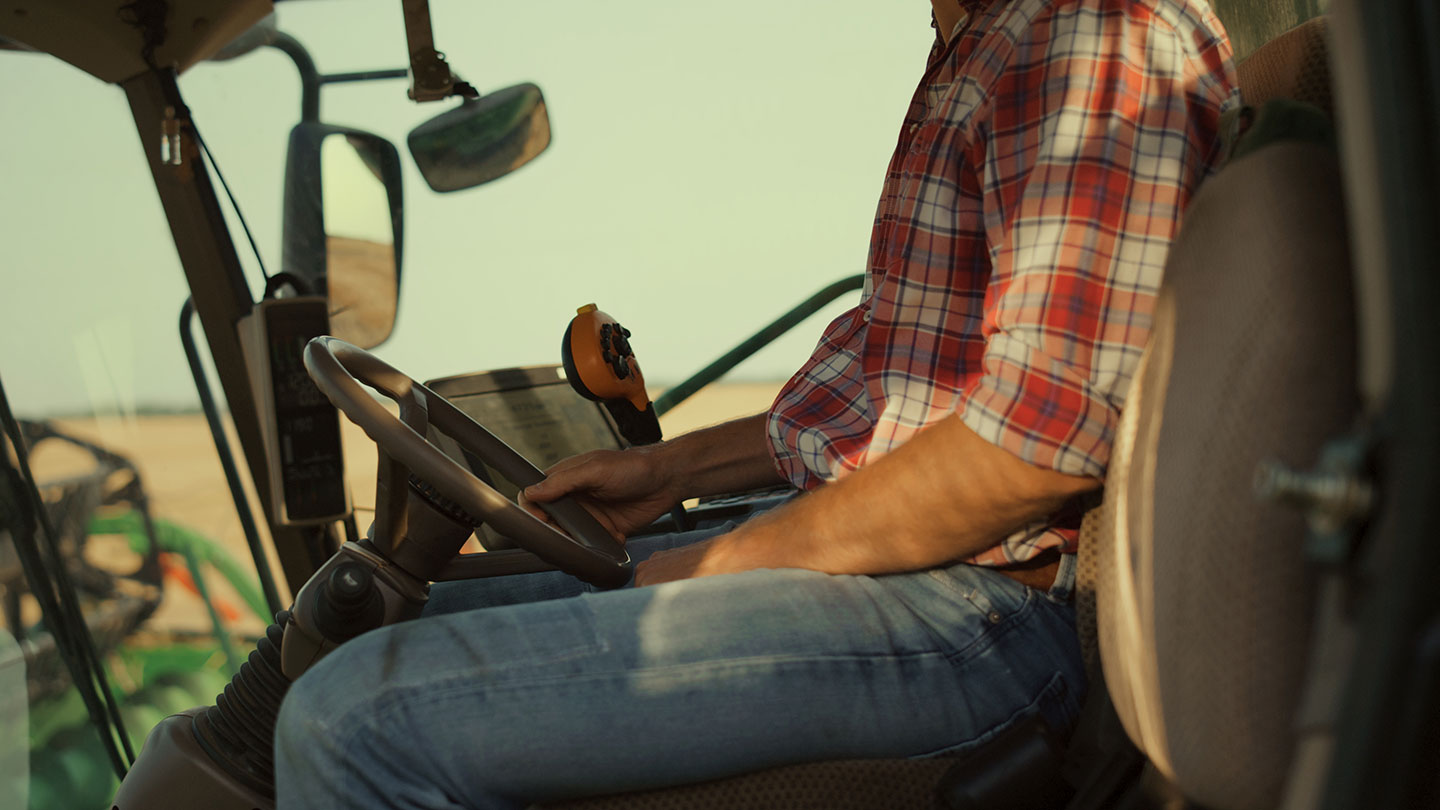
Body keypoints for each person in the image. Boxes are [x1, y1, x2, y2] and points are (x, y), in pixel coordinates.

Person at [275, 1, 1238, 807]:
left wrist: (725, 559)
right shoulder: (980, 40)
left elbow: (1036, 448)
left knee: (351, 722)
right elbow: (896, 382)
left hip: (985, 616)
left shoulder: (1087, 33)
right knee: (396, 624)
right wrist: (672, 469)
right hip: (921, 579)